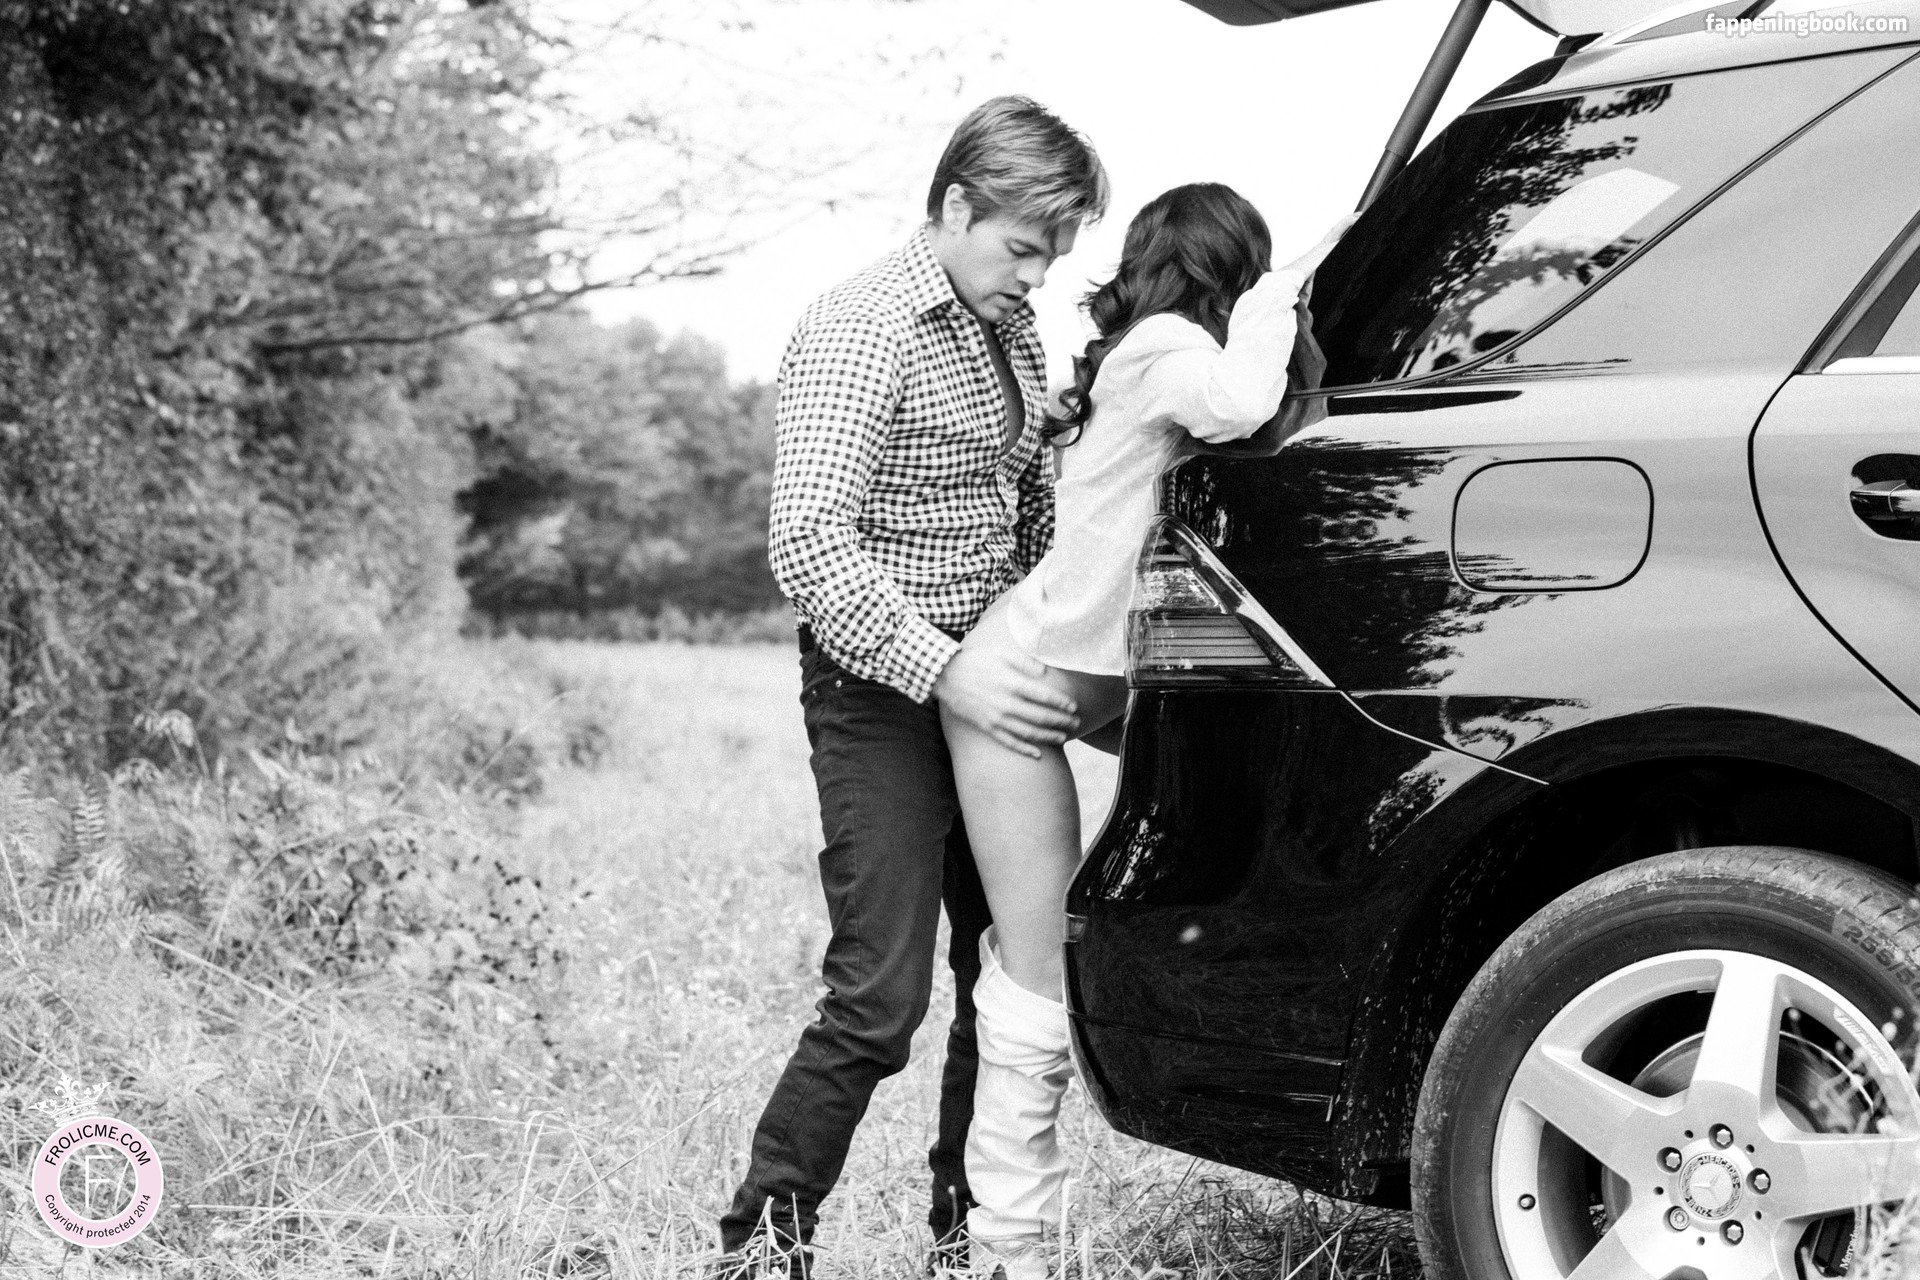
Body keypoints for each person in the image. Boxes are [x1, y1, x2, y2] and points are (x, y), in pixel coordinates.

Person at [715, 96, 1109, 1277]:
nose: (1035, 278)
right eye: (1022, 247)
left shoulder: (1013, 331)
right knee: (878, 995)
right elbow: (807, 545)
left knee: (1010, 973)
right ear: (954, 206)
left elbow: (1020, 506)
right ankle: (759, 1247)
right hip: (881, 685)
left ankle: (967, 1239)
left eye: (1053, 256)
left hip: (989, 672)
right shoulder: (861, 327)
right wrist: (951, 672)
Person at [942, 183, 1355, 1280]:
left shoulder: (1147, 356)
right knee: (1036, 983)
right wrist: (1275, 298)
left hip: (1079, 677)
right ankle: (1007, 1254)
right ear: (1227, 268)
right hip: (1015, 690)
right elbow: (1239, 399)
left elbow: (1276, 422)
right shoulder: (1168, 346)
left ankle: (1004, 1242)